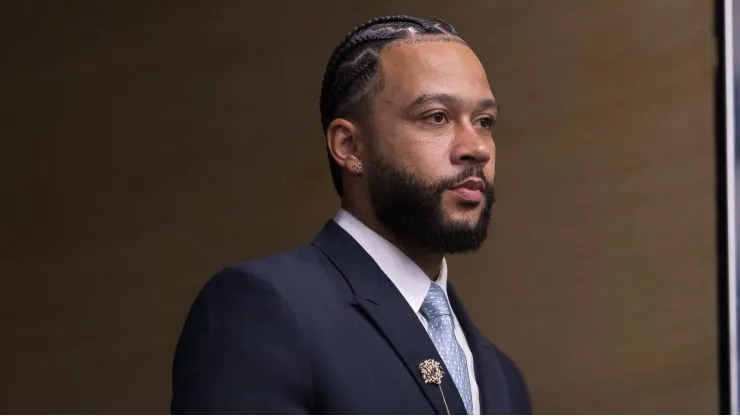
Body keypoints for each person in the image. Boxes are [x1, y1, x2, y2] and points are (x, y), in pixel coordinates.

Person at [171, 15, 531, 415]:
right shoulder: (265, 310)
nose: (476, 148)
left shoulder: (502, 379)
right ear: (349, 146)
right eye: (436, 117)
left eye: (484, 122)